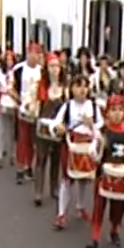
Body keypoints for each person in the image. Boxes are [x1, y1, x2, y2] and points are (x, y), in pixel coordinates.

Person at [85, 95, 124, 248]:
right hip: (104, 174)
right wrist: (99, 148)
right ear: (107, 113)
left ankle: (115, 228)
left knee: (118, 206)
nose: (116, 114)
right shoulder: (103, 132)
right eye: (113, 110)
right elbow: (93, 151)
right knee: (99, 205)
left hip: (121, 175)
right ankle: (94, 237)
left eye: (120, 110)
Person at [52, 75, 103, 229]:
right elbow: (56, 123)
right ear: (72, 88)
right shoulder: (67, 106)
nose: (82, 89)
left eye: (85, 86)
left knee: (84, 178)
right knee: (67, 179)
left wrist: (92, 124)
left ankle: (80, 206)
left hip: (87, 146)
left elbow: (101, 124)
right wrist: (59, 128)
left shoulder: (93, 106)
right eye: (78, 86)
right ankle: (61, 213)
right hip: (70, 145)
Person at [33, 52, 69, 206]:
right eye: (51, 66)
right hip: (43, 127)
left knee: (56, 159)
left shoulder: (65, 88)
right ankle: (38, 191)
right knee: (41, 158)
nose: (55, 69)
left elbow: (68, 108)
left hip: (58, 128)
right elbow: (36, 105)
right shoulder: (41, 85)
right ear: (46, 68)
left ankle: (53, 188)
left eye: (57, 66)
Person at [13, 43, 43, 183]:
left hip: (37, 110)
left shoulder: (42, 71)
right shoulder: (19, 69)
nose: (34, 56)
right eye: (32, 53)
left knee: (32, 141)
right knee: (22, 139)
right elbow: (10, 87)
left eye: (37, 54)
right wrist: (20, 101)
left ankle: (29, 166)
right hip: (23, 108)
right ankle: (20, 166)